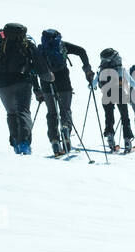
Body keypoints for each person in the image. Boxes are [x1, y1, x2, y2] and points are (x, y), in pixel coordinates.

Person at [0, 22, 53, 154]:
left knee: (12, 113)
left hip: (3, 85)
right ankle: (24, 143)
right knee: (23, 112)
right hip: (22, 83)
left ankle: (15, 143)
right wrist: (49, 77)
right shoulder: (27, 46)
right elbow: (41, 67)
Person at [37, 29, 93, 157]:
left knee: (51, 113)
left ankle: (54, 140)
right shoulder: (63, 45)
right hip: (63, 82)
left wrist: (37, 89)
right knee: (65, 110)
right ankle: (66, 127)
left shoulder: (39, 49)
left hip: (46, 83)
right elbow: (81, 51)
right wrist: (87, 69)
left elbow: (34, 68)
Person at [93, 48, 134, 153]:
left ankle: (110, 138)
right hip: (120, 93)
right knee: (125, 117)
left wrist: (92, 86)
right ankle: (127, 141)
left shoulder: (102, 69)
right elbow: (131, 81)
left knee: (109, 116)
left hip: (106, 93)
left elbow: (92, 85)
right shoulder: (120, 68)